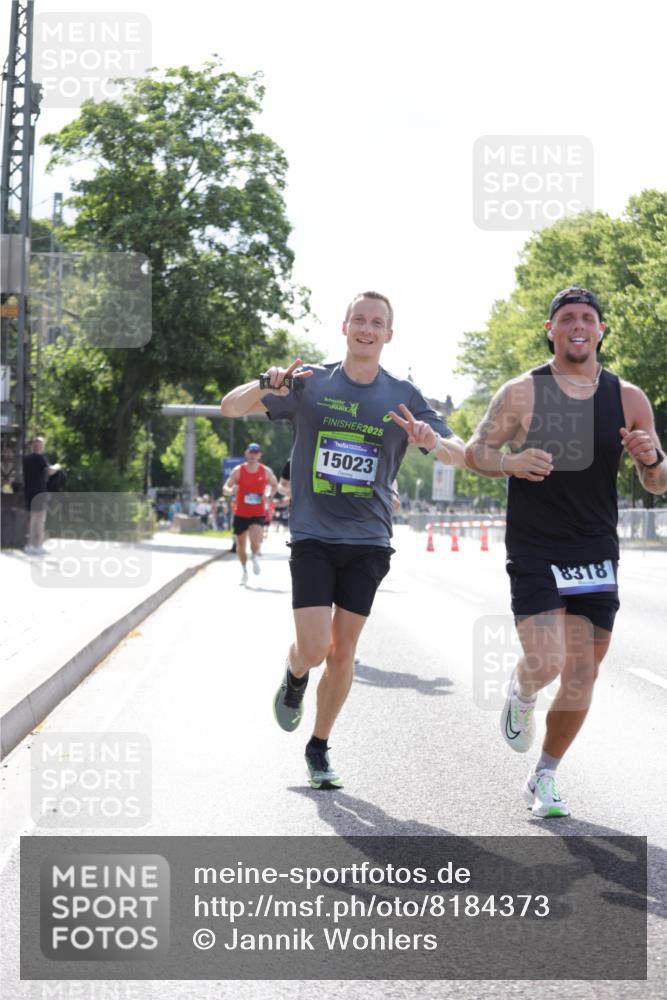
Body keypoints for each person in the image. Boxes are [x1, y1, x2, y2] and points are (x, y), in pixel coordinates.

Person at [221, 290, 466, 789]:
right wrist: (265, 382)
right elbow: (230, 408)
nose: (367, 328)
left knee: (342, 652)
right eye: (359, 319)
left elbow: (459, 453)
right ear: (345, 326)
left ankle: (319, 747)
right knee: (313, 649)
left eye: (377, 322)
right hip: (313, 533)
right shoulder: (310, 381)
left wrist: (431, 440)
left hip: (369, 539)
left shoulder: (403, 393)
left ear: (388, 335)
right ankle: (294, 676)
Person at [465, 285, 667, 818]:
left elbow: (658, 484)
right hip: (535, 545)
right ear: (550, 330)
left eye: (588, 318)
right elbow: (474, 451)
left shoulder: (628, 397)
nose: (578, 325)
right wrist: (509, 463)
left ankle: (545, 775)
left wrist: (652, 459)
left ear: (601, 331)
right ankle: (523, 688)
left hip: (596, 546)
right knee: (549, 658)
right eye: (567, 318)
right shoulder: (522, 392)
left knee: (583, 672)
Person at [222, 443, 278, 584]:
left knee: (255, 540)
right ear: (246, 453)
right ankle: (244, 571)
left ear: (259, 455)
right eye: (251, 452)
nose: (253, 455)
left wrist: (269, 496)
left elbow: (275, 484)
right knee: (241, 546)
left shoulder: (265, 471)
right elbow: (226, 487)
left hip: (257, 513)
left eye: (256, 452)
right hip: (241, 513)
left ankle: (254, 556)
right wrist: (230, 491)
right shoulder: (238, 470)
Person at [22, 437, 62, 555]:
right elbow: (50, 471)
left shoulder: (26, 459)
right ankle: (38, 545)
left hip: (29, 491)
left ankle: (28, 544)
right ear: (41, 446)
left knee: (30, 519)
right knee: (40, 519)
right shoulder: (40, 458)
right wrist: (57, 466)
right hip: (39, 492)